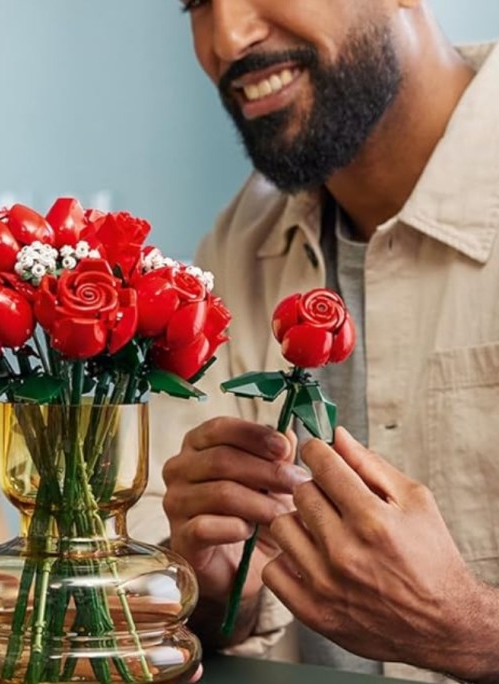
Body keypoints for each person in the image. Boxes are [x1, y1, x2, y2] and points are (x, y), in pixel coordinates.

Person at [129, 0, 499, 681]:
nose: (226, 38)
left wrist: (470, 632)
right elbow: (195, 612)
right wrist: (214, 591)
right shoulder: (241, 245)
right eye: (197, 4)